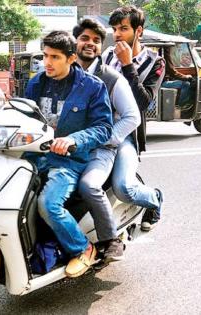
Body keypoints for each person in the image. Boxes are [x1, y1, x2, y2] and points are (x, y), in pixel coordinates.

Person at [25, 31, 113, 277]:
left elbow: (104, 129)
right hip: (34, 157)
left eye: (55, 57)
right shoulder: (36, 83)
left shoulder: (93, 87)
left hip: (68, 161)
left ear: (71, 58)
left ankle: (84, 249)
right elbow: (23, 117)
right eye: (45, 55)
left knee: (48, 204)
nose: (47, 62)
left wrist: (73, 140)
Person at [73, 18, 140, 262]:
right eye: (84, 38)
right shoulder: (62, 75)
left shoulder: (112, 79)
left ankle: (111, 239)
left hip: (100, 149)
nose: (90, 44)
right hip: (68, 147)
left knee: (89, 186)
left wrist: (106, 139)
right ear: (74, 42)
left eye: (96, 40)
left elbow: (133, 117)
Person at [101, 5, 165, 231]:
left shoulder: (155, 62)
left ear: (139, 31)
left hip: (127, 134)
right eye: (115, 29)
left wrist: (128, 65)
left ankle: (153, 199)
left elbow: (144, 102)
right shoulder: (106, 56)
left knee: (123, 188)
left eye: (124, 29)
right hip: (99, 130)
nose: (117, 34)